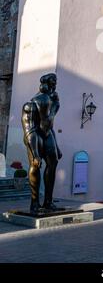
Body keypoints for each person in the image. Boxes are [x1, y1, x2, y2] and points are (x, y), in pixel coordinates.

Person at [21, 73, 62, 214]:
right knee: (35, 164)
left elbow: (49, 124)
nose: (54, 86)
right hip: (35, 134)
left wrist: (56, 146)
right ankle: (34, 202)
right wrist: (35, 153)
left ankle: (48, 201)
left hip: (47, 134)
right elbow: (29, 130)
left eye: (55, 83)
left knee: (54, 162)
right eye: (52, 84)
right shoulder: (31, 105)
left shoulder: (51, 101)